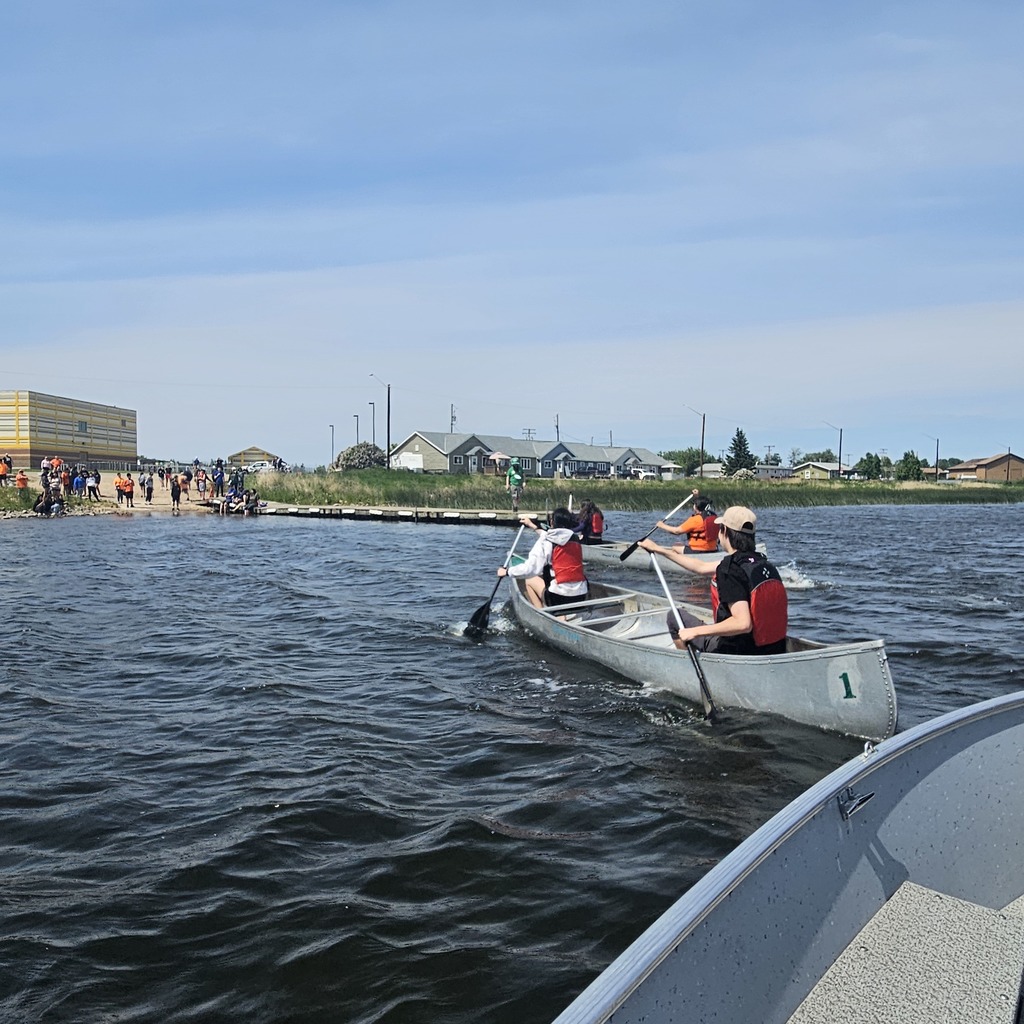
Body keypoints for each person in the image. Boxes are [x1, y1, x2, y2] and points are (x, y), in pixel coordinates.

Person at [640, 505, 787, 655]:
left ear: (725, 531)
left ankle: (688, 664)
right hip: (773, 648)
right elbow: (701, 567)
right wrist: (659, 550)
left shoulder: (730, 570)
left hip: (736, 651)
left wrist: (695, 632)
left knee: (674, 617)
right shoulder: (762, 564)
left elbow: (743, 623)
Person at [497, 508, 589, 610]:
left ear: (552, 522)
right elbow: (550, 535)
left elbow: (530, 569)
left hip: (558, 598)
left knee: (529, 579)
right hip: (581, 596)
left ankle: (541, 612)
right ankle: (562, 616)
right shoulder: (576, 539)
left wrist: (507, 572)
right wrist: (531, 525)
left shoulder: (546, 541)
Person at [656, 489, 721, 553]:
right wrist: (696, 496)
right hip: (713, 549)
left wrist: (662, 525)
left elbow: (677, 531)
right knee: (679, 544)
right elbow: (701, 505)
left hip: (698, 550)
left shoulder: (695, 520)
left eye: (694, 504)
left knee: (675, 547)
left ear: (696, 507)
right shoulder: (713, 517)